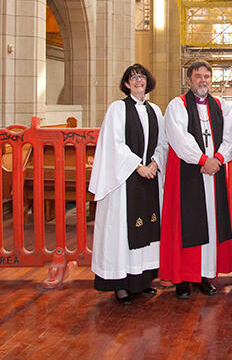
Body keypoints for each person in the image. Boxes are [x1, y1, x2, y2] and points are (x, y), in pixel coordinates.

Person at [90, 64, 168, 304]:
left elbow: (163, 142)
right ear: (126, 84)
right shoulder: (117, 109)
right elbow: (115, 144)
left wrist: (155, 163)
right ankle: (121, 284)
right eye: (133, 78)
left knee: (149, 228)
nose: (138, 81)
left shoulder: (155, 110)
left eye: (142, 77)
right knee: (123, 231)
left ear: (147, 81)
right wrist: (138, 166)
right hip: (125, 180)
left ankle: (144, 280)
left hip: (150, 177)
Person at [161, 60, 232, 299]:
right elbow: (179, 139)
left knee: (211, 224)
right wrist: (204, 160)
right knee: (186, 224)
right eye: (197, 76)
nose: (203, 80)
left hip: (214, 173)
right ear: (189, 79)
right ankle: (183, 278)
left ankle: (204, 275)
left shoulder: (221, 106)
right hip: (189, 172)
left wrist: (219, 158)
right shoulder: (178, 105)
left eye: (207, 76)